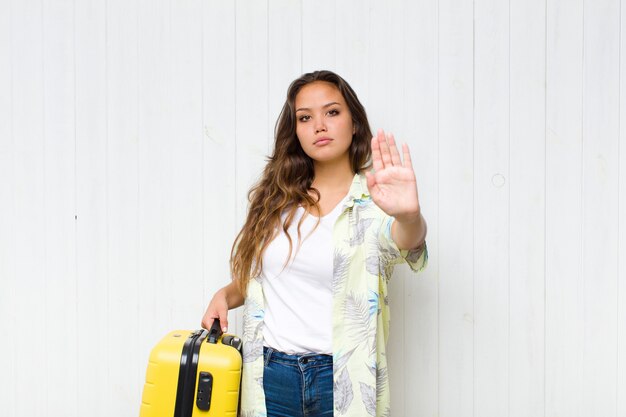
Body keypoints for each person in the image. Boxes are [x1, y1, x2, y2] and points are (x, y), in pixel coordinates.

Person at [201, 70, 427, 417]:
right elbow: (265, 281)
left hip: (338, 377)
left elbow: (406, 244)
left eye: (332, 112)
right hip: (270, 374)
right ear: (296, 132)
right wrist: (226, 295)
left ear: (354, 124)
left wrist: (410, 217)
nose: (319, 125)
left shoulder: (376, 201)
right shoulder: (277, 200)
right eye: (305, 118)